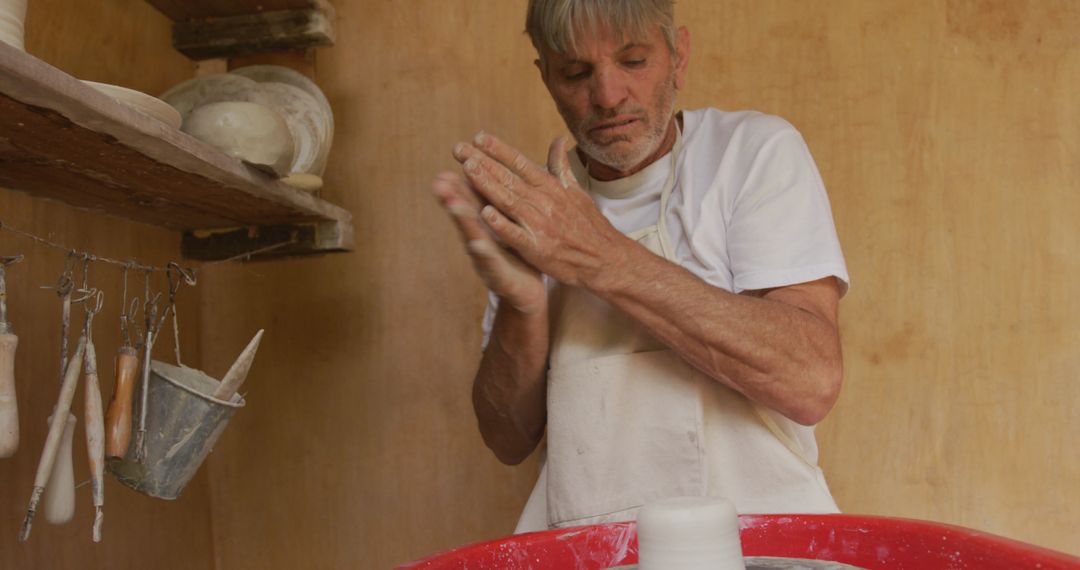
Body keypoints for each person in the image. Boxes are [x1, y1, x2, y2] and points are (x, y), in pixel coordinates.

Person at [431, 0, 849, 533]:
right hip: (590, 553)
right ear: (546, 77)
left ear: (678, 55)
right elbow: (507, 440)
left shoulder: (750, 153)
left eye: (633, 62)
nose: (607, 97)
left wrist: (602, 258)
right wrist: (523, 304)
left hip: (763, 550)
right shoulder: (541, 209)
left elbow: (810, 380)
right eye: (576, 72)